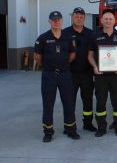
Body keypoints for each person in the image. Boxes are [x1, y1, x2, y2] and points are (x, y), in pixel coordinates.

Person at [34, 11, 80, 142]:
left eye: (59, 19)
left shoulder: (68, 37)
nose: (56, 22)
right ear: (49, 22)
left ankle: (71, 129)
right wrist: (49, 66)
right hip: (49, 75)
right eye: (54, 20)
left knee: (69, 102)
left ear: (62, 21)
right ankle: (48, 131)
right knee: (48, 104)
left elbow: (72, 55)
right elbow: (37, 57)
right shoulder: (43, 38)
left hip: (65, 74)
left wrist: (63, 64)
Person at [88, 9, 117, 137]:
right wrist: (95, 66)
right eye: (106, 19)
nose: (108, 21)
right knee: (101, 102)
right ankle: (101, 128)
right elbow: (90, 55)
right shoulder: (95, 36)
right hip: (100, 76)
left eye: (110, 19)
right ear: (101, 20)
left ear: (115, 21)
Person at [63, 7, 97, 132]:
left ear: (84, 18)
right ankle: (69, 126)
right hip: (70, 73)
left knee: (88, 100)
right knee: (69, 101)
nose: (79, 18)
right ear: (72, 17)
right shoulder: (65, 33)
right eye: (76, 16)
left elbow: (96, 52)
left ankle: (88, 124)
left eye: (81, 16)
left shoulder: (91, 33)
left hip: (87, 73)